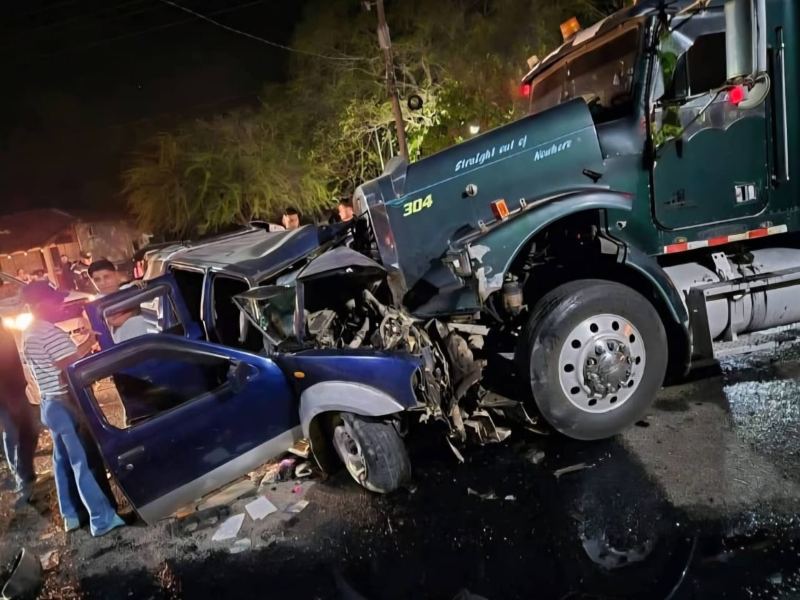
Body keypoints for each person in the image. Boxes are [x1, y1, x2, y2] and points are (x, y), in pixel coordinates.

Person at [21, 282, 125, 536]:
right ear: (38, 305)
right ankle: (102, 519)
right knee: (85, 462)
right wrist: (90, 340)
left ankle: (72, 515)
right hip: (64, 401)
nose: (59, 305)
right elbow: (69, 364)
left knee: (63, 463)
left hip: (50, 403)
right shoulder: (46, 332)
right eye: (54, 300)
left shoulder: (31, 331)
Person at [0, 322, 38, 505]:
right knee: (15, 436)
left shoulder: (4, 331)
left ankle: (25, 478)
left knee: (28, 433)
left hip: (16, 392)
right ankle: (23, 483)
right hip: (7, 397)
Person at [88, 259, 149, 342]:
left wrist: (136, 287)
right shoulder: (97, 303)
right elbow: (116, 321)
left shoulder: (129, 289)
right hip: (124, 346)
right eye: (97, 280)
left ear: (116, 275)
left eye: (107, 277)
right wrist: (135, 307)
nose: (103, 282)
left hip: (148, 340)